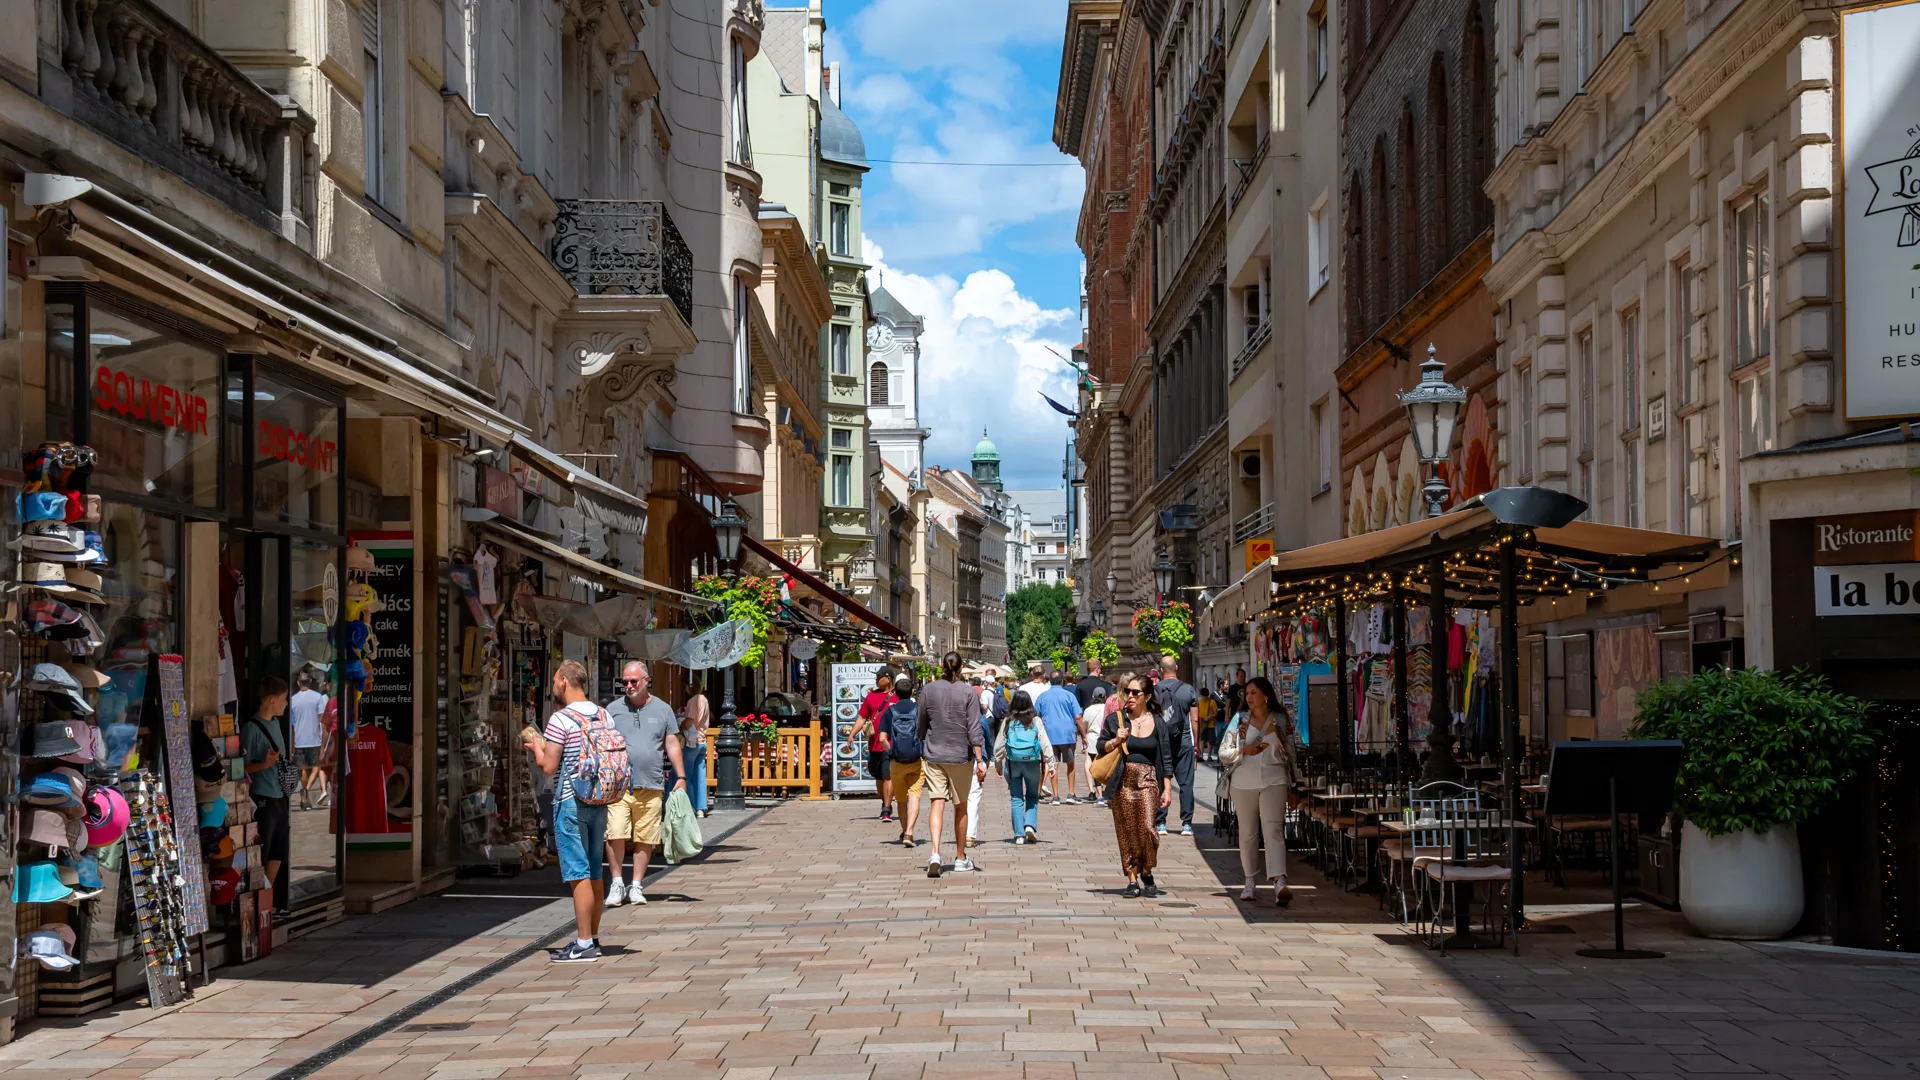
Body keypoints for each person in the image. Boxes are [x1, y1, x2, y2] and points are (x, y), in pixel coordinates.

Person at [523, 659, 613, 963]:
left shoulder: (560, 720)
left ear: (563, 681)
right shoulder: (604, 715)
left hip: (571, 801)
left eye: (554, 682)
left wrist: (536, 747)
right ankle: (594, 937)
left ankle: (584, 942)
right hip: (599, 801)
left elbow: (548, 767)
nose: (553, 688)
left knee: (578, 873)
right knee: (595, 871)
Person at [603, 661, 685, 908]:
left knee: (645, 837)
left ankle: (636, 884)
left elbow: (671, 743)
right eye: (625, 682)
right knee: (615, 832)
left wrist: (681, 777)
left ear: (646, 680)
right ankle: (617, 882)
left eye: (633, 681)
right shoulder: (613, 709)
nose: (628, 686)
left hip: (651, 783)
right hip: (618, 786)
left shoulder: (663, 709)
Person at [1096, 674, 1174, 897]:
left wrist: (1167, 788)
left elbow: (1165, 757)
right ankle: (1132, 878)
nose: (1129, 696)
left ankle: (1147, 869)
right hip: (1123, 781)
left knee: (1149, 828)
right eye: (1128, 692)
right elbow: (1100, 746)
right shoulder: (1116, 720)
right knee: (1127, 831)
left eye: (1135, 693)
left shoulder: (1158, 722)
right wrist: (1116, 740)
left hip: (1149, 779)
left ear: (1147, 696)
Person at [1226, 676, 1297, 905]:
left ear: (1266, 695)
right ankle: (1249, 881)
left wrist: (1295, 786)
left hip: (1274, 779)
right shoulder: (1239, 721)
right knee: (1247, 834)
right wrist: (1242, 750)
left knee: (1274, 831)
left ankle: (1279, 882)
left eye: (1254, 692)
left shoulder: (1279, 719)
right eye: (1247, 693)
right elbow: (1223, 752)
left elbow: (1291, 754)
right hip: (1242, 782)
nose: (1249, 697)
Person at [916, 652, 987, 876]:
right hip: (960, 755)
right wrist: (979, 758)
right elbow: (974, 728)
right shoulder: (968, 692)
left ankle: (935, 853)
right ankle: (960, 857)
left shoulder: (928, 690)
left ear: (941, 666)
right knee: (961, 805)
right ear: (962, 667)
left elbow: (921, 722)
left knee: (937, 802)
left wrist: (924, 739)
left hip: (934, 753)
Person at [241, 676, 293, 918]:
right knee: (263, 850)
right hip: (262, 796)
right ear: (271, 700)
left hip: (278, 794)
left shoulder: (275, 724)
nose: (286, 704)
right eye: (283, 700)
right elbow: (239, 768)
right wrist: (264, 764)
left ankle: (268, 900)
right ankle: (257, 903)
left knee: (278, 851)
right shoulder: (252, 728)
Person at [1152, 656, 1199, 836]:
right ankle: (1186, 824)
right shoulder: (1188, 690)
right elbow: (1195, 719)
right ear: (1177, 668)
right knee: (1186, 783)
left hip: (1161, 742)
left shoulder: (1154, 691)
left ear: (1161, 670)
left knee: (1161, 781)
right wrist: (1197, 743)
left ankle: (1161, 822)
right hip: (1184, 741)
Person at [993, 690, 1046, 844]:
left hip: (1013, 762)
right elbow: (1044, 741)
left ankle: (1019, 835)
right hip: (1032, 762)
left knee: (1016, 798)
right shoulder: (1035, 720)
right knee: (1032, 796)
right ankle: (1030, 825)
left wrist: (998, 763)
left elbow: (999, 746)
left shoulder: (1009, 721)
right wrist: (1051, 762)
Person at [878, 677, 924, 844]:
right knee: (914, 796)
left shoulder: (889, 712)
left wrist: (892, 751)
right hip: (916, 759)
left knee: (902, 799)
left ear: (895, 693)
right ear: (912, 691)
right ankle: (909, 833)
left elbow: (882, 738)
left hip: (896, 761)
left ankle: (905, 830)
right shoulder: (918, 709)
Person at [853, 671, 897, 822]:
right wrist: (852, 734)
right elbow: (862, 717)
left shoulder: (898, 696)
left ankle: (886, 808)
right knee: (877, 775)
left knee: (887, 775)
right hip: (874, 744)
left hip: (890, 744)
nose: (876, 680)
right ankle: (884, 802)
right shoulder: (871, 696)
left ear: (888, 678)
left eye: (879, 678)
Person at [1035, 671, 1083, 804]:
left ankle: (1055, 796)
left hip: (1049, 735)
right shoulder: (1069, 695)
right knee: (1070, 763)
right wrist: (1083, 734)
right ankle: (1071, 793)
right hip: (1067, 734)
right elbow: (1078, 716)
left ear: (1049, 681)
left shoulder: (1042, 697)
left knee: (1053, 764)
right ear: (1062, 681)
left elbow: (1036, 716)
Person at [288, 672, 329, 810]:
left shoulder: (293, 700)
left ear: (298, 683)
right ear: (310, 682)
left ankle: (304, 791)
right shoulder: (318, 697)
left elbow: (292, 726)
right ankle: (306, 790)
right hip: (315, 739)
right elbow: (323, 721)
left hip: (299, 740)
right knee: (317, 766)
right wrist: (324, 742)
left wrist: (293, 743)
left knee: (303, 770)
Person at [675, 674, 711, 818]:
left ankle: (690, 804)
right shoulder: (705, 700)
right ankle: (701, 807)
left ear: (690, 686)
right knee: (700, 775)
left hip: (692, 742)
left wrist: (680, 725)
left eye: (685, 687)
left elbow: (689, 721)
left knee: (686, 775)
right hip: (702, 741)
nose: (685, 690)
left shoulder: (694, 700)